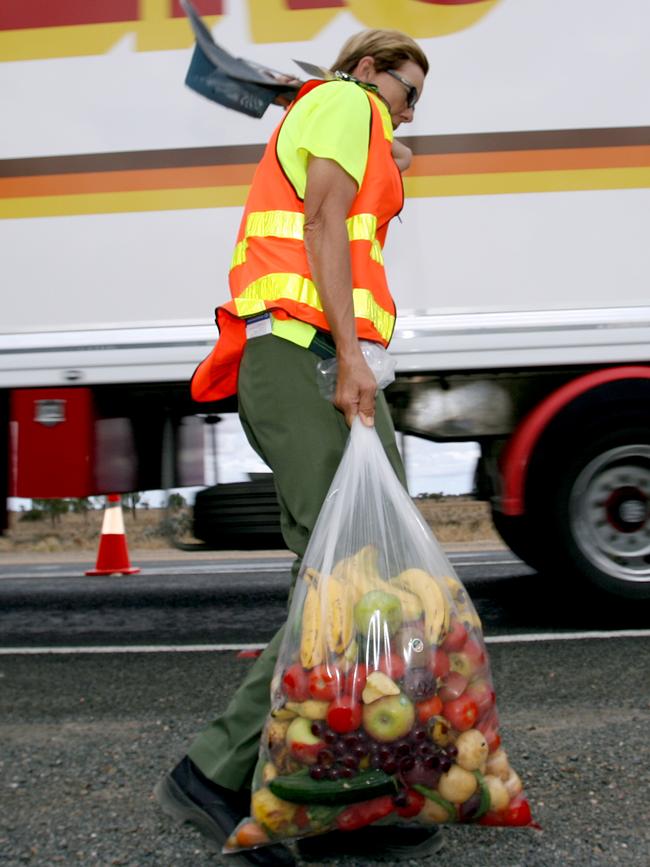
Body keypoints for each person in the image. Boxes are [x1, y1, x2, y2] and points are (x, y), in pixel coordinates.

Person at [155, 29, 441, 866]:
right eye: (403, 85)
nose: (410, 104)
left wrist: (389, 135)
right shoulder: (345, 104)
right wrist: (351, 358)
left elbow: (366, 189)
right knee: (350, 568)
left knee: (376, 574)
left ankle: (342, 785)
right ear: (365, 71)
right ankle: (215, 771)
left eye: (421, 95)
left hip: (328, 355)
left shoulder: (350, 117)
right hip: (303, 353)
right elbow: (319, 220)